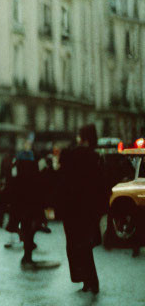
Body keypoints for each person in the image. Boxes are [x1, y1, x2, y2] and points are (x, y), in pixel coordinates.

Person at [57, 124, 102, 293]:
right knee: (85, 246)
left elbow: (63, 180)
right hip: (88, 209)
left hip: (73, 208)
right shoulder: (95, 157)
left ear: (82, 137)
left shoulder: (72, 155)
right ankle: (91, 281)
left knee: (76, 246)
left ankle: (87, 280)